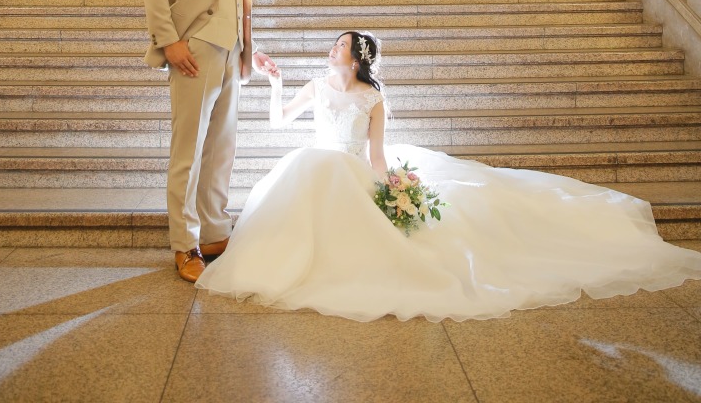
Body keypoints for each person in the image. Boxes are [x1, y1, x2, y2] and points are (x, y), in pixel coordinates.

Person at [197, 30, 701, 321]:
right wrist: (274, 84)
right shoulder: (316, 84)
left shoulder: (373, 98)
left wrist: (391, 188)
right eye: (334, 44)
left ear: (357, 58)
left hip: (351, 170)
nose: (332, 50)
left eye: (340, 46)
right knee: (313, 167)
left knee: (338, 180)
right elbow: (282, 120)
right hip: (315, 166)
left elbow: (376, 154)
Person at [142, 0, 277, 282]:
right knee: (188, 150)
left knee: (221, 148)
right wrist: (170, 41)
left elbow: (232, 2)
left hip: (230, 56)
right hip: (195, 54)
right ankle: (185, 244)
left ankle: (215, 231)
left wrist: (247, 49)